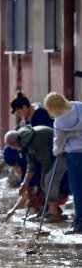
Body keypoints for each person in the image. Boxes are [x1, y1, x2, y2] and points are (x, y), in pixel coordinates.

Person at [5, 125, 67, 223]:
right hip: (55, 154)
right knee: (44, 182)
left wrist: (42, 183)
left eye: (14, 147)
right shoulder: (25, 142)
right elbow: (31, 165)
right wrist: (25, 183)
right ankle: (48, 210)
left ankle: (53, 213)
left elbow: (46, 163)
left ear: (16, 144)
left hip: (64, 152)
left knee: (48, 179)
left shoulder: (36, 141)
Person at [45, 92, 82, 234]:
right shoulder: (79, 106)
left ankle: (80, 222)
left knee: (77, 189)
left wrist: (57, 149)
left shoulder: (59, 122)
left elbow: (58, 147)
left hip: (75, 156)